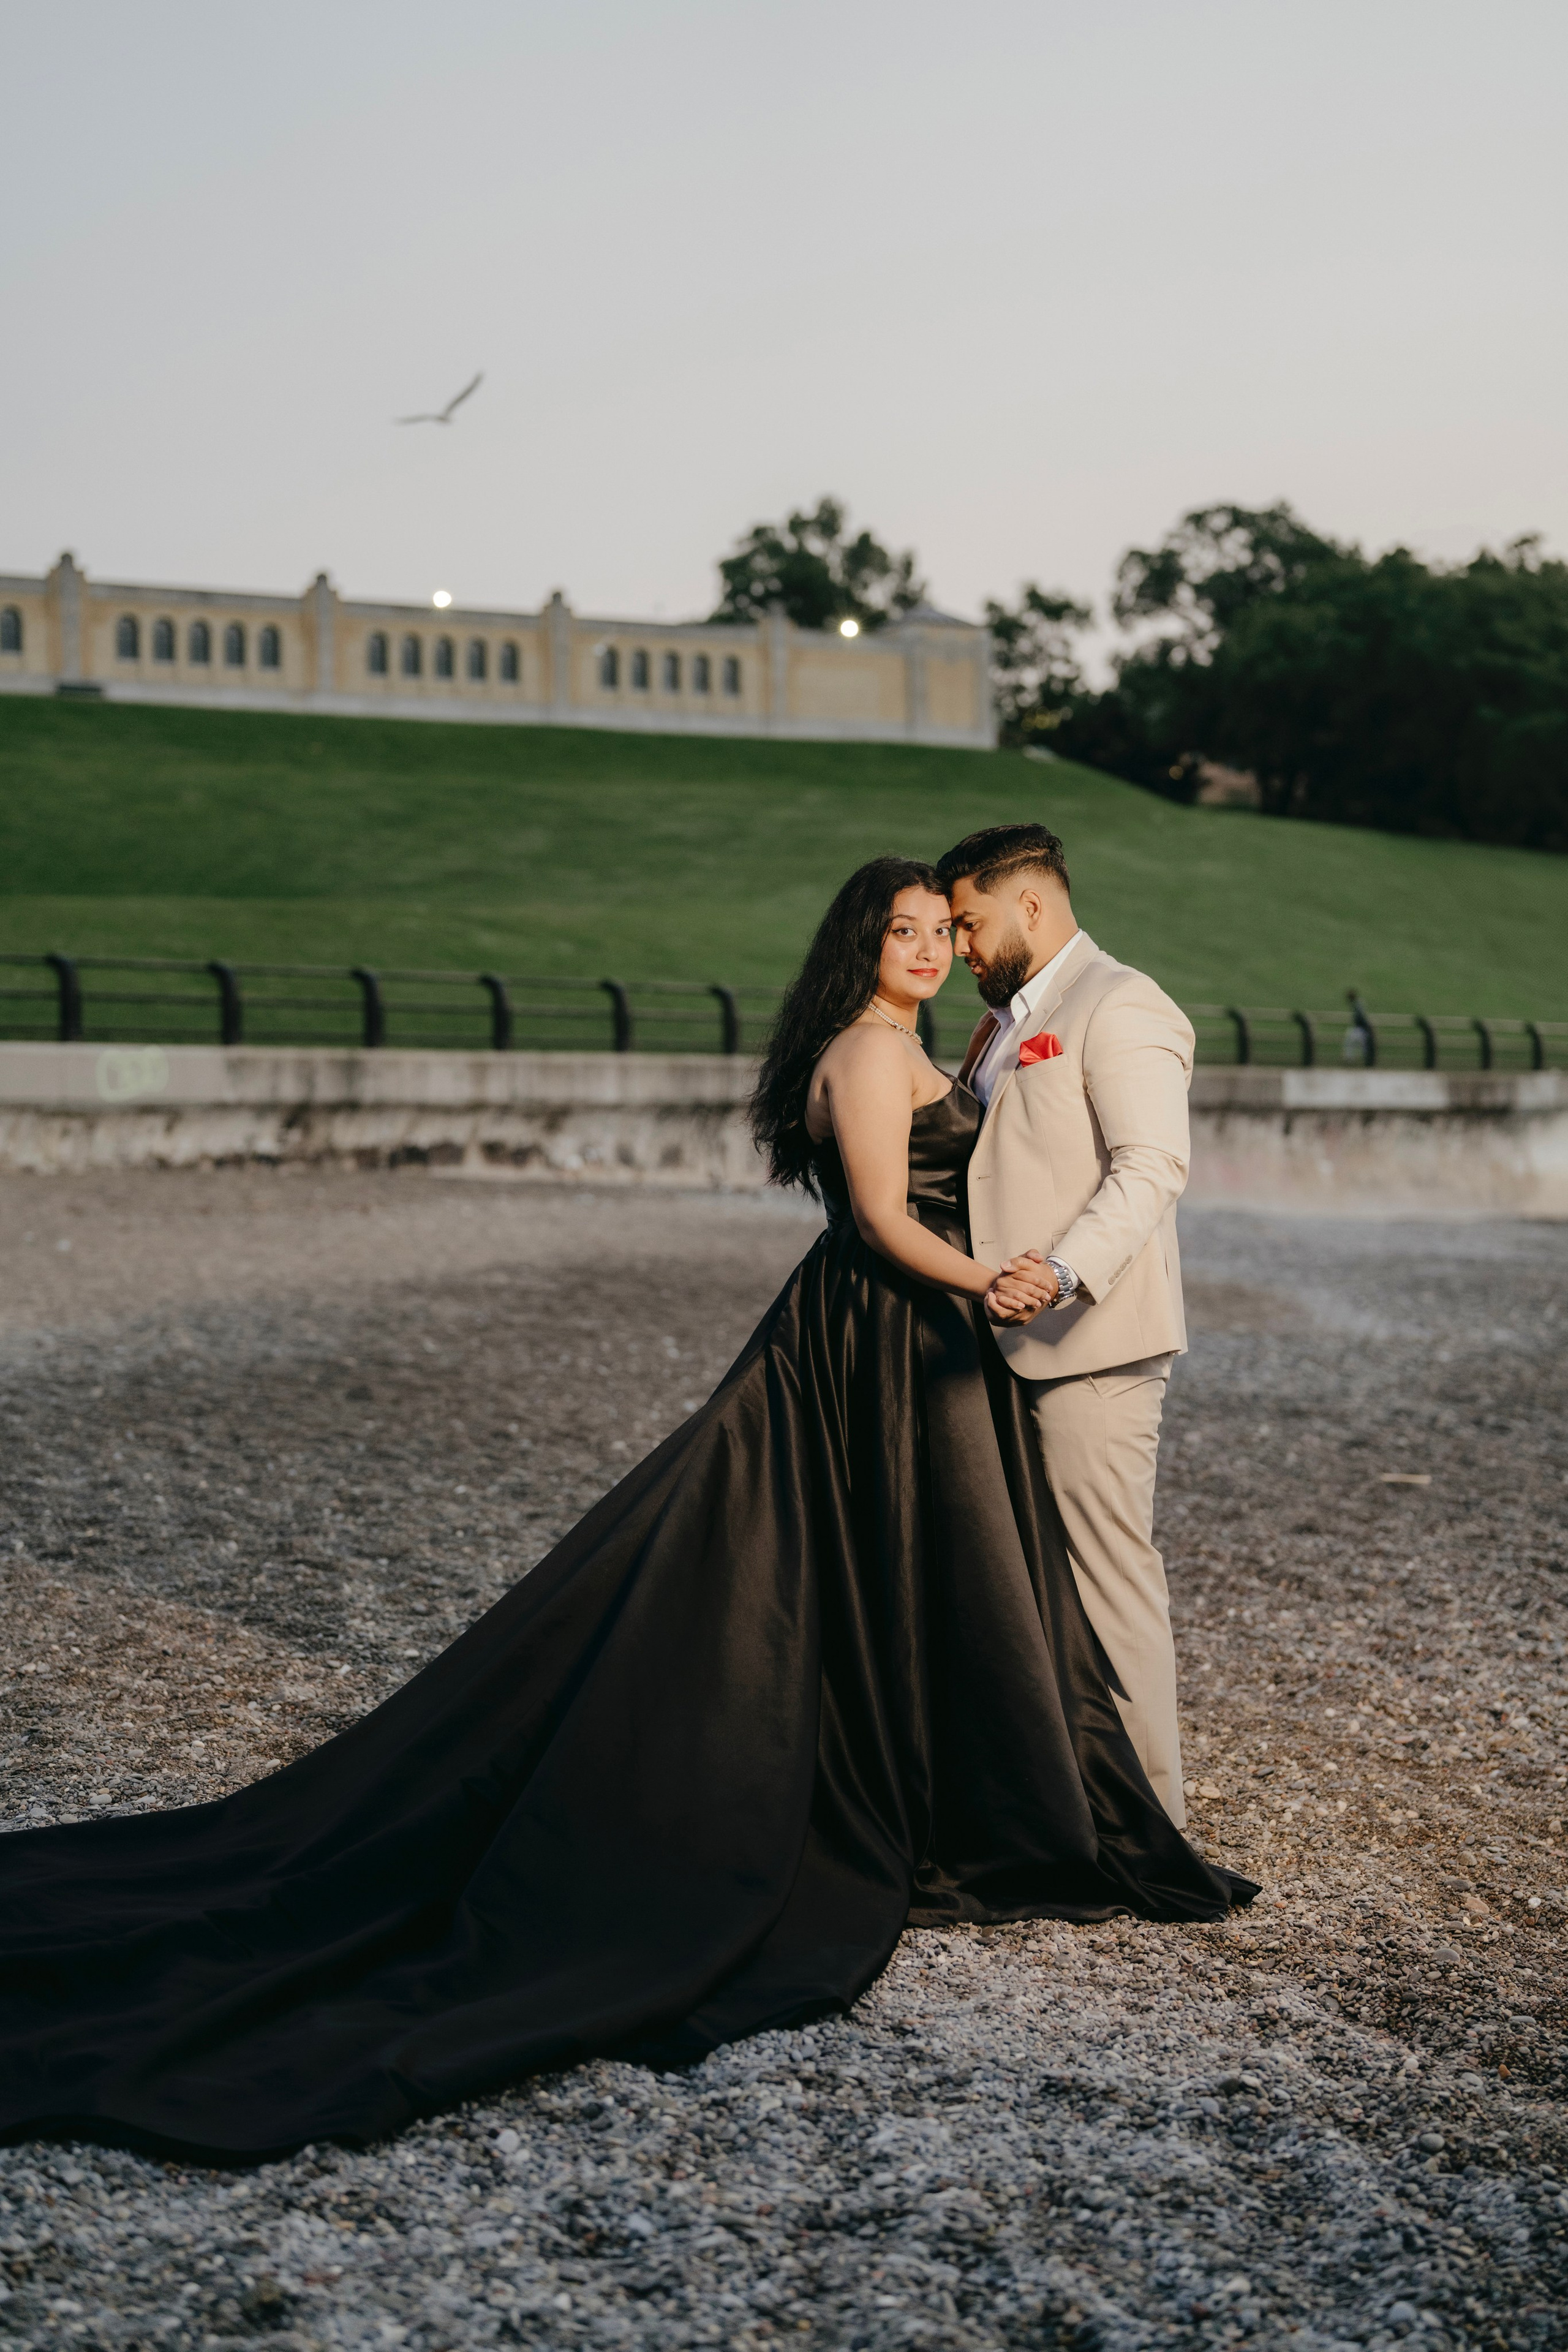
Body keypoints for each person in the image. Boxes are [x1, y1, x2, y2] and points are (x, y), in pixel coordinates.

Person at [0, 858, 1249, 2166]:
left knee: (921, 1571)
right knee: (846, 1565)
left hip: (926, 1347)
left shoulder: (932, 1042)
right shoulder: (872, 1060)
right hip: (892, 1331)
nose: (930, 949)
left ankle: (972, 1786)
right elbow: (881, 1221)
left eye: (943, 929)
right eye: (904, 931)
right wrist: (999, 1277)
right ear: (860, 943)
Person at [937, 823, 1196, 1826]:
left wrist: (1060, 1269)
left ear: (1030, 907)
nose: (959, 946)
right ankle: (1047, 1799)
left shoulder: (1122, 1004)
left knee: (1107, 1573)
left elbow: (1152, 1168)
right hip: (989, 1344)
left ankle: (1150, 1825)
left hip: (1090, 1343)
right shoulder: (1003, 1023)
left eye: (969, 923)